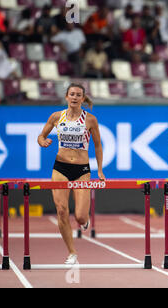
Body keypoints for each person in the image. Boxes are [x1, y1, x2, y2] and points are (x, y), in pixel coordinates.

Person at [37, 83, 105, 265]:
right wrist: (42, 141)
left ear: (83, 99)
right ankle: (72, 252)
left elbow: (98, 145)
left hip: (82, 170)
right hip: (60, 167)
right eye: (72, 94)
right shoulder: (56, 116)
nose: (75, 97)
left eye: (78, 95)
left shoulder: (90, 120)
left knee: (80, 216)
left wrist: (99, 169)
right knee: (61, 210)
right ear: (66, 97)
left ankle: (84, 221)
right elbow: (41, 135)